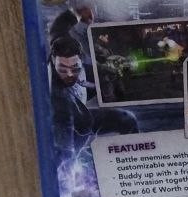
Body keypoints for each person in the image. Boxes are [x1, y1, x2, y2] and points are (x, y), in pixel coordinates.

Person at [49, 35, 137, 163]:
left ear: (81, 60)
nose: (69, 74)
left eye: (74, 68)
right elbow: (81, 124)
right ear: (53, 61)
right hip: (62, 124)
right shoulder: (53, 86)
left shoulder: (89, 68)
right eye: (62, 69)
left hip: (80, 119)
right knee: (65, 158)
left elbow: (101, 74)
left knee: (127, 119)